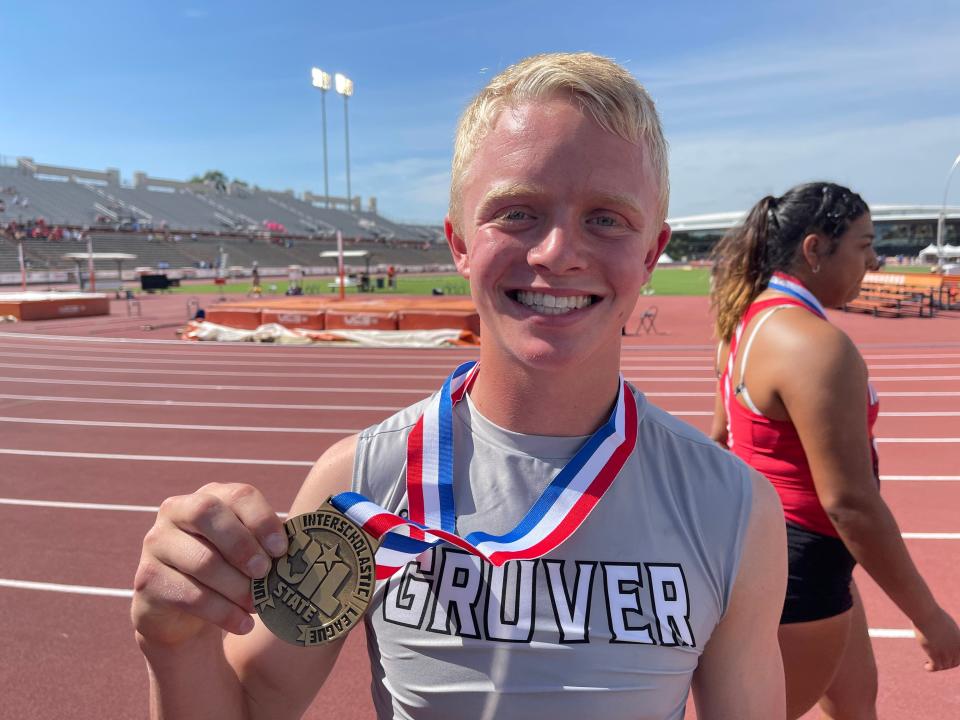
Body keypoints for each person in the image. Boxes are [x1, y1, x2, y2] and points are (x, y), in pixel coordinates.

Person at [131, 52, 787, 720]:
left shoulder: (732, 509)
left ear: (651, 253)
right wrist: (177, 646)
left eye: (606, 218)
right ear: (459, 244)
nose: (557, 252)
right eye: (517, 212)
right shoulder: (360, 483)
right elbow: (250, 710)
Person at [709, 182, 960, 719]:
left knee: (854, 704)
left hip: (775, 548)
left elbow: (719, 440)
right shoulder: (814, 346)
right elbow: (849, 503)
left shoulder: (745, 321)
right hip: (802, 565)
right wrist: (928, 615)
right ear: (815, 249)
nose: (872, 261)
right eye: (864, 245)